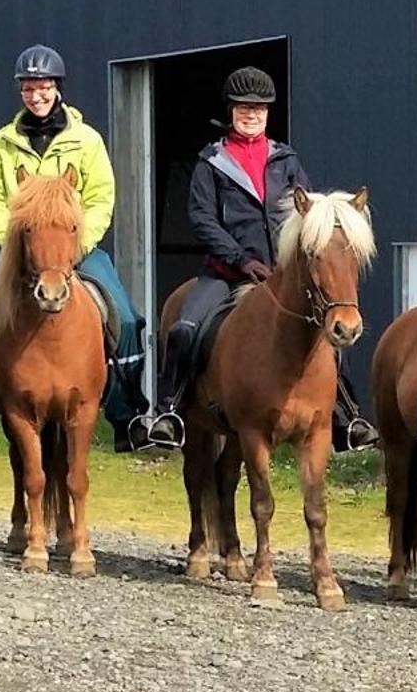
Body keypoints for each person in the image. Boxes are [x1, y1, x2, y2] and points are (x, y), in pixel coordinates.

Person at [138, 66, 378, 452]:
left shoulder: (286, 160)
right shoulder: (211, 162)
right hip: (226, 274)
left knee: (328, 333)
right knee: (185, 327)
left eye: (259, 109)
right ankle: (169, 410)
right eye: (243, 109)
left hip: (280, 277)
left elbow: (308, 216)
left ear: (268, 114)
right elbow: (202, 219)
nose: (251, 115)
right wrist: (240, 259)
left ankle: (346, 416)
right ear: (231, 112)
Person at [0, 44, 150, 451]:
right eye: (29, 89)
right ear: (21, 92)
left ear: (57, 89)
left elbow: (102, 196)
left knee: (127, 317)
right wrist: (12, 239)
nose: (37, 96)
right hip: (14, 250)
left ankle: (129, 415)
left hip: (75, 249)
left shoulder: (86, 141)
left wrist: (80, 243)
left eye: (44, 88)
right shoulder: (0, 143)